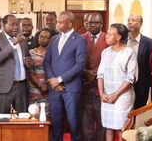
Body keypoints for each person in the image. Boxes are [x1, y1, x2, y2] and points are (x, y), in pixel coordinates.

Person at [44, 11, 87, 141]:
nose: (57, 24)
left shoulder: (80, 40)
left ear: (69, 23)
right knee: (56, 122)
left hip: (71, 88)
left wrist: (60, 79)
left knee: (73, 123)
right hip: (54, 89)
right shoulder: (54, 39)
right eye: (57, 21)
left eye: (60, 22)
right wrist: (53, 81)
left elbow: (80, 64)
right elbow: (47, 61)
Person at [97, 23, 137, 141]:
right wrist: (101, 94)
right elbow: (100, 74)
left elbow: (130, 78)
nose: (106, 36)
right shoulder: (105, 52)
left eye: (110, 34)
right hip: (107, 95)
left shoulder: (129, 52)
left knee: (121, 128)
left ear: (119, 37)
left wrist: (116, 94)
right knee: (108, 127)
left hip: (122, 97)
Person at [0, 14, 29, 114]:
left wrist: (28, 63)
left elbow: (24, 59)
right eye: (12, 25)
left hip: (22, 85)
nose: (15, 27)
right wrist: (13, 44)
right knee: (3, 118)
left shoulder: (22, 40)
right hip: (4, 85)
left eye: (17, 24)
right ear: (4, 25)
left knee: (22, 118)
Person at [81, 12, 108, 141]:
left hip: (102, 87)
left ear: (101, 24)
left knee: (101, 120)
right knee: (86, 122)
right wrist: (85, 71)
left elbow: (110, 60)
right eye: (89, 22)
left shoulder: (108, 38)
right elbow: (75, 60)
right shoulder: (81, 38)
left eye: (95, 22)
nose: (91, 25)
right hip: (84, 86)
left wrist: (97, 72)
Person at [24, 28, 55, 118]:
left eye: (46, 37)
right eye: (41, 36)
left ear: (50, 40)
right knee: (34, 113)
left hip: (50, 88)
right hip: (34, 88)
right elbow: (29, 71)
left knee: (48, 116)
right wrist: (40, 85)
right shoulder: (31, 52)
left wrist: (47, 86)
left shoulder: (53, 53)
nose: (43, 39)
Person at [127, 14, 152, 109]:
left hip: (141, 84)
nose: (130, 22)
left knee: (139, 110)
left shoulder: (149, 43)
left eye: (134, 20)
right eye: (129, 20)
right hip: (123, 83)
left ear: (140, 24)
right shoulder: (122, 41)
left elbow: (151, 65)